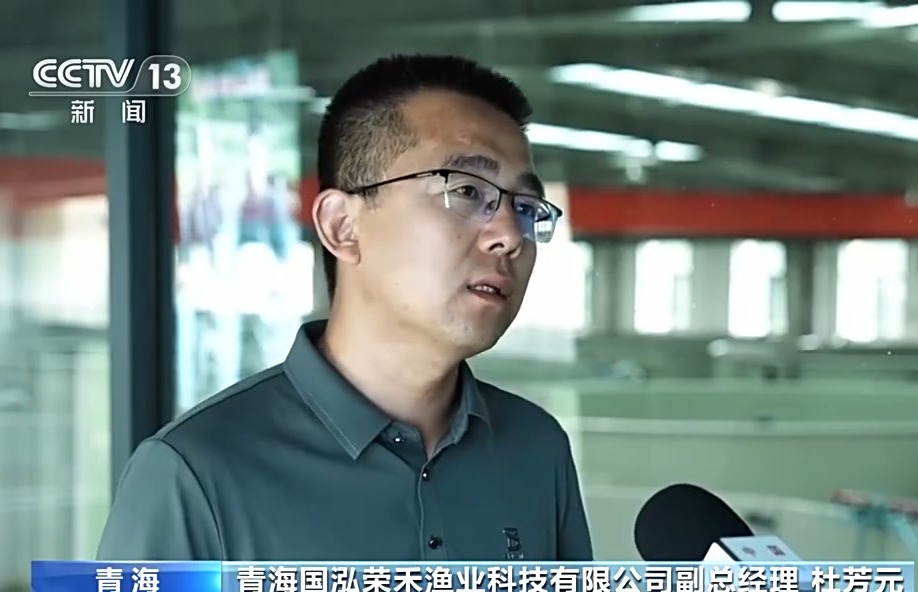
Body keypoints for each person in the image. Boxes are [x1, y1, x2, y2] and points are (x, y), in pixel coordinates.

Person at [97, 53, 594, 562]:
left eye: (525, 208)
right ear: (342, 226)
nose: (509, 235)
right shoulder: (191, 473)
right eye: (467, 190)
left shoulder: (536, 450)